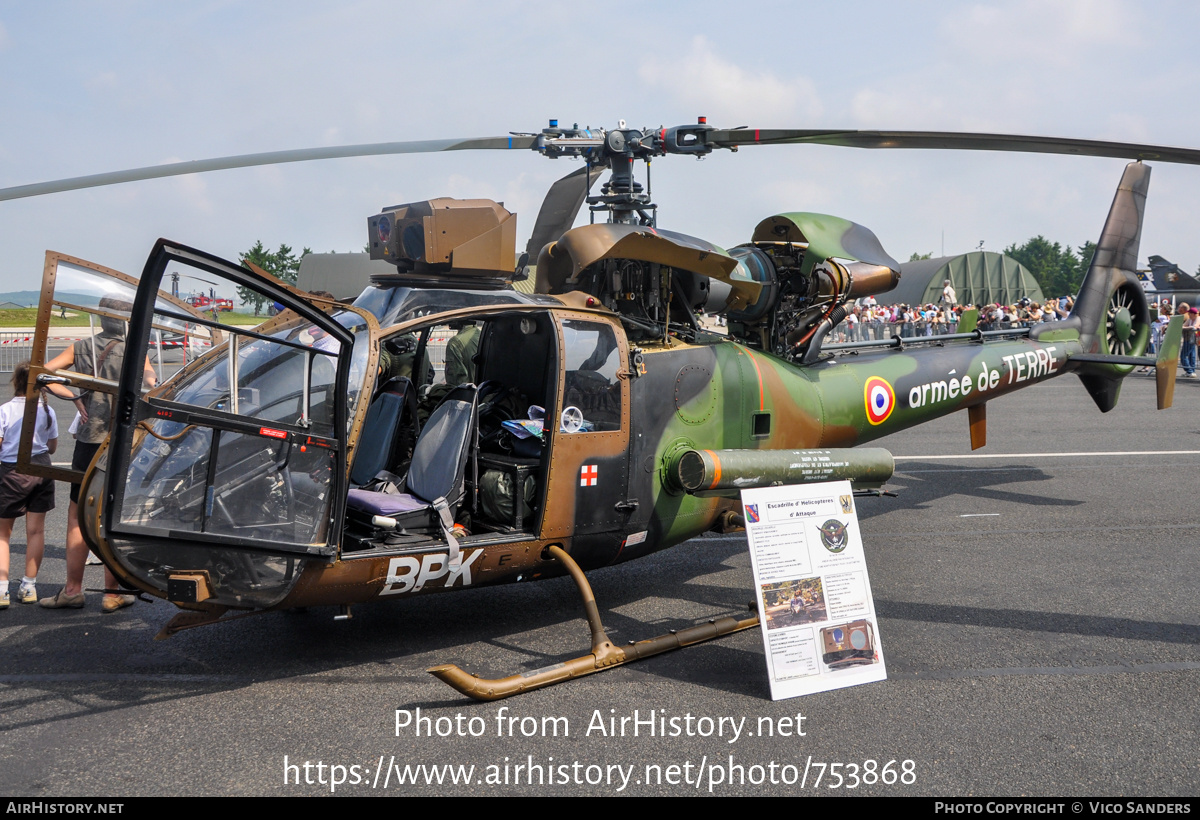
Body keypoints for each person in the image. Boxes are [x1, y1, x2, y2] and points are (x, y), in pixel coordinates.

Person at [40, 296, 156, 611]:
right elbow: (152, 385)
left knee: (78, 516)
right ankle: (111, 592)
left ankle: (73, 589)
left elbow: (45, 374)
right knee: (112, 515)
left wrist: (76, 397)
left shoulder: (81, 347)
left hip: (89, 440)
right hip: (121, 440)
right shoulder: (134, 350)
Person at [0, 362, 57, 607]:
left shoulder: (5, 410)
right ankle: (29, 585)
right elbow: (53, 446)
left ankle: (2, 589)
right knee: (36, 531)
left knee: (3, 533)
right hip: (42, 467)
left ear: (16, 382)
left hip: (12, 470)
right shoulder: (47, 410)